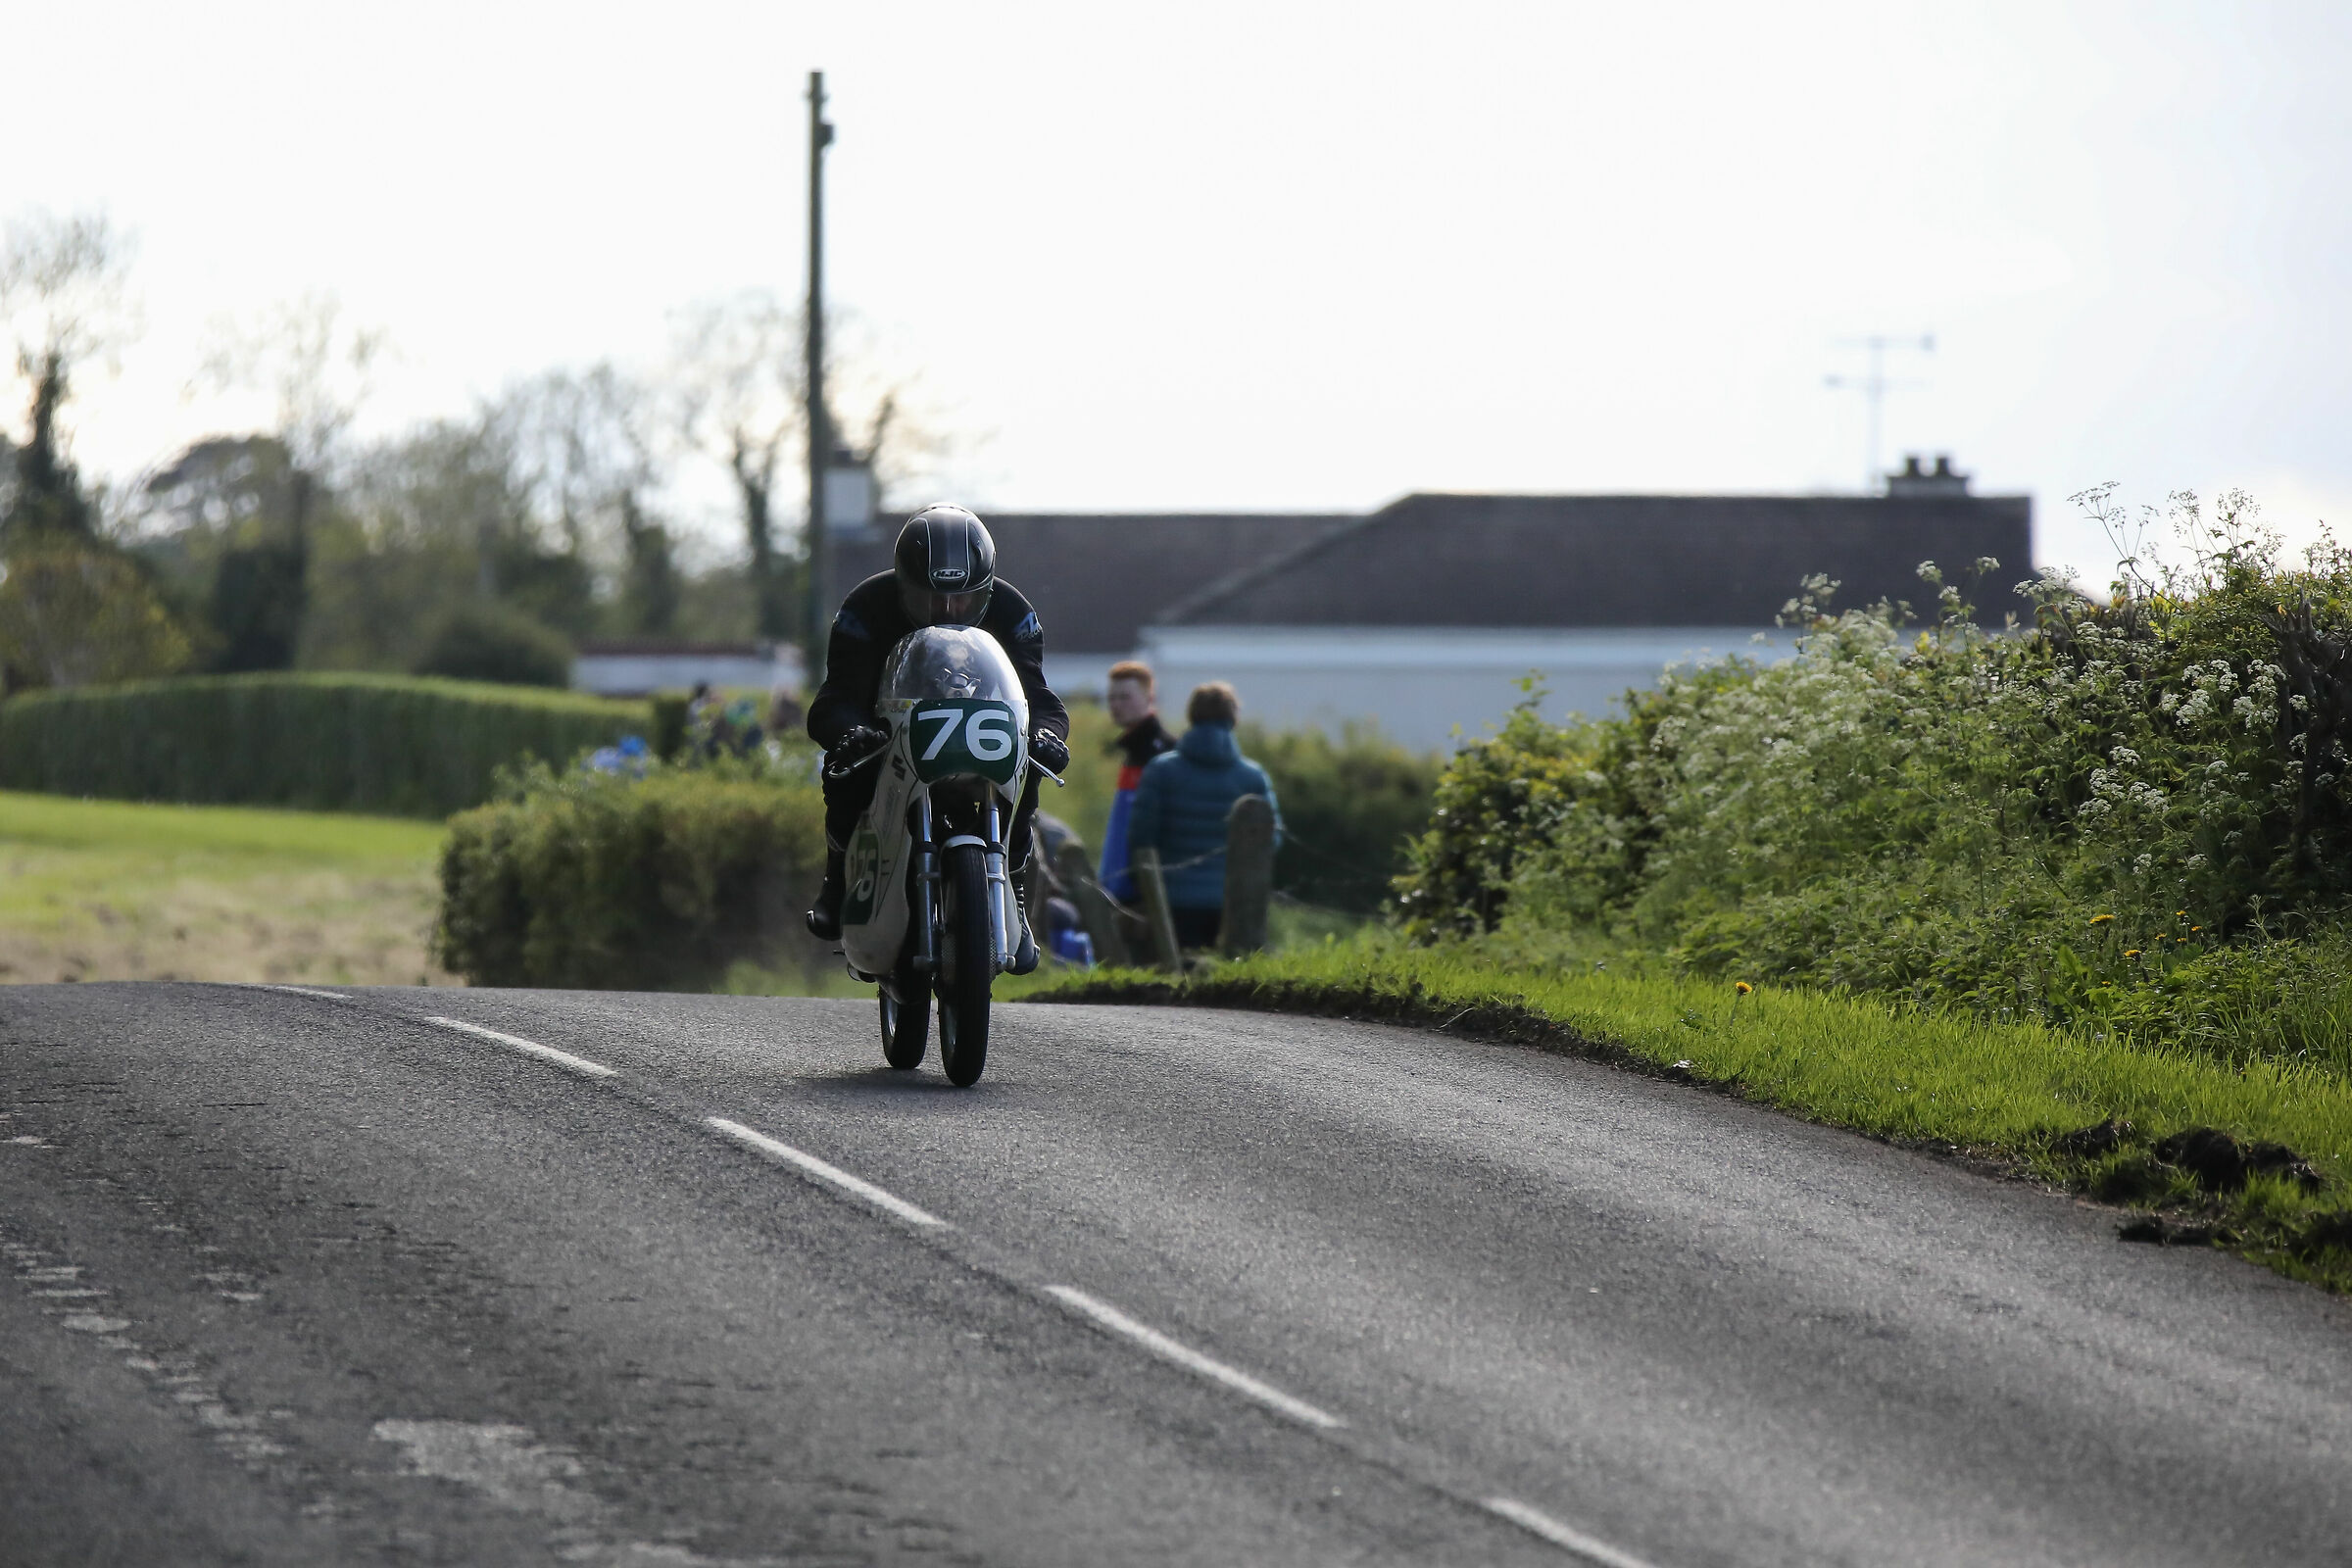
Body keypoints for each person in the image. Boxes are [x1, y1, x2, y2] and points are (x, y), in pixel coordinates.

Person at [804, 504, 1070, 971]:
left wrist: (1047, 736)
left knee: (1029, 765)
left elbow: (1038, 697)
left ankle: (1014, 886)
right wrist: (851, 733)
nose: (947, 611)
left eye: (963, 601)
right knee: (844, 769)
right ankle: (837, 882)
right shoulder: (864, 608)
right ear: (903, 585)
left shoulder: (1014, 613)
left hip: (982, 730)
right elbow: (837, 696)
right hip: (889, 727)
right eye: (929, 599)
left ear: (986, 590)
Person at [1126, 681, 1281, 951]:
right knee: (1232, 973)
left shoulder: (1160, 771)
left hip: (1171, 901)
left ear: (1192, 715)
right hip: (1235, 903)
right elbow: (1272, 840)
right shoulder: (1253, 776)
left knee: (1175, 971)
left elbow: (1141, 838)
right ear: (1233, 718)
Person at [1097, 660, 1176, 904]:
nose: (1116, 705)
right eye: (1112, 698)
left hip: (1147, 889)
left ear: (1149, 698)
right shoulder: (1133, 751)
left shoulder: (1162, 754)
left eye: (1125, 697)